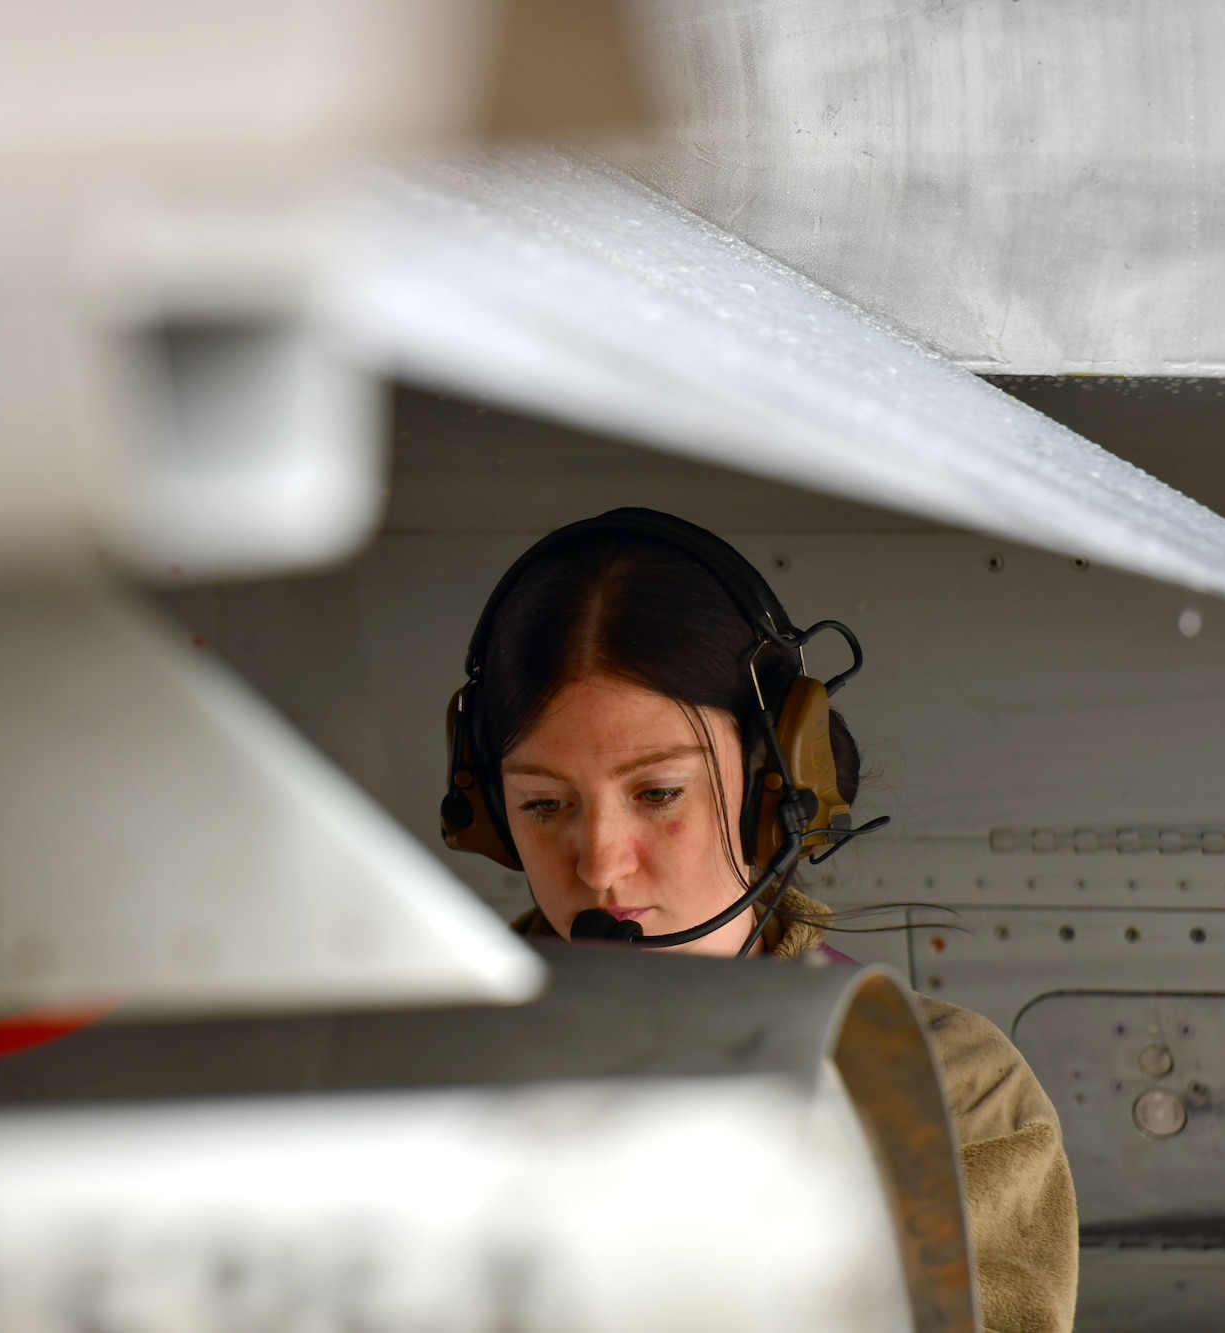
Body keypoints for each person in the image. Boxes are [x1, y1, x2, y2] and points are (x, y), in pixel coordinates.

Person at [438, 508, 1079, 1333]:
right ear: (490, 811)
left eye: (658, 793)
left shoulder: (943, 1089)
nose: (599, 864)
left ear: (778, 784)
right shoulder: (403, 1067)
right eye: (543, 804)